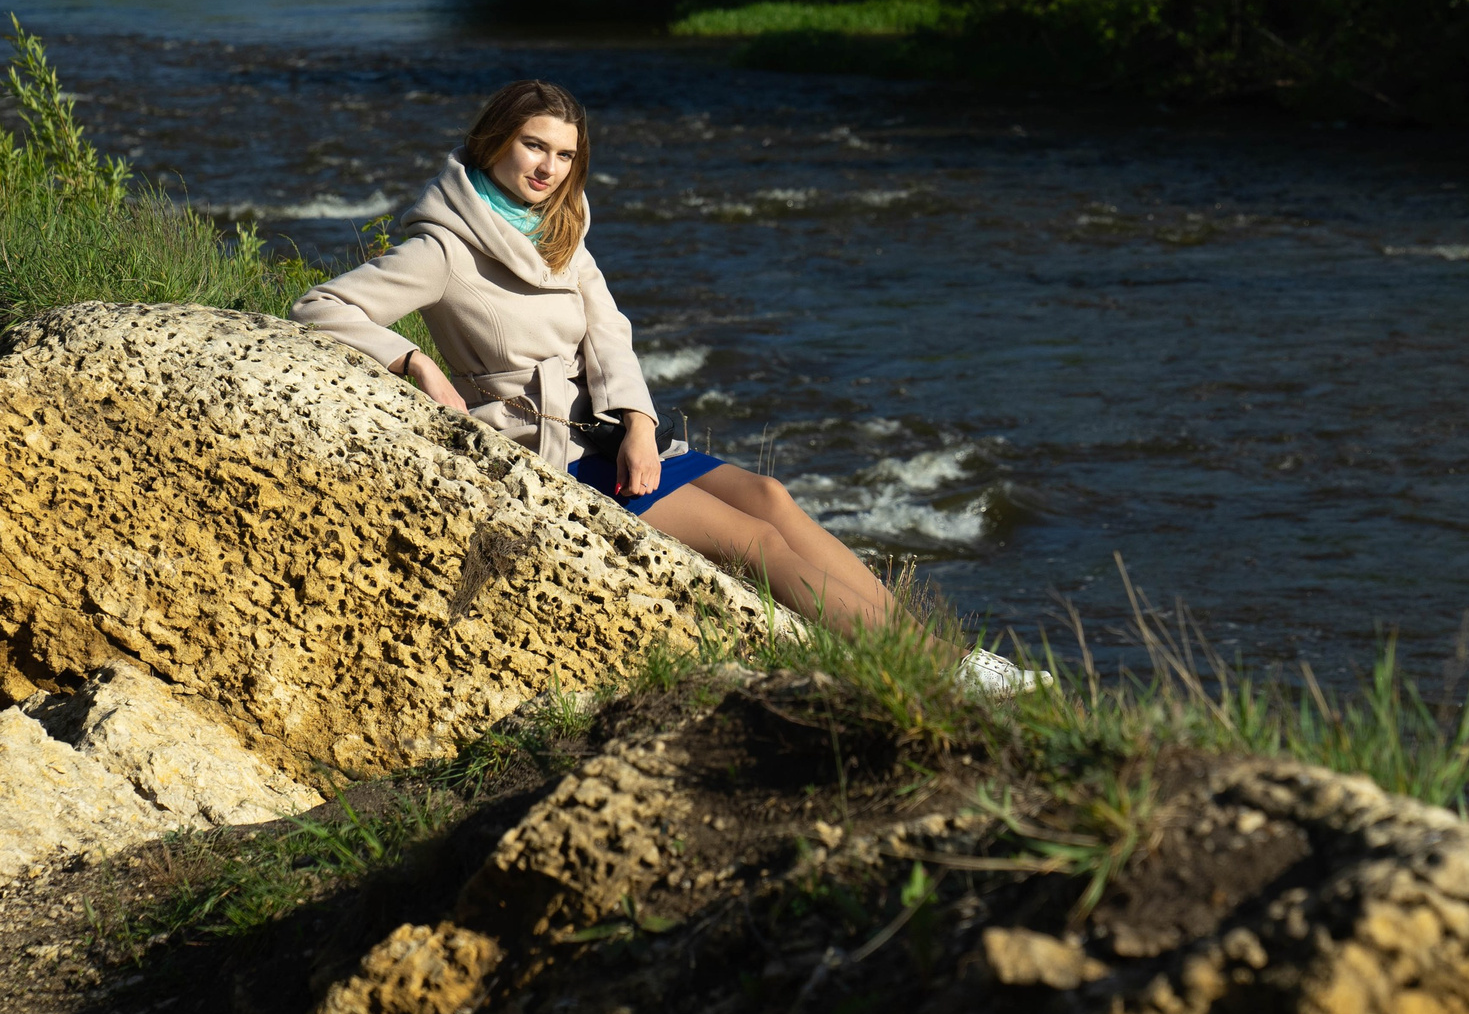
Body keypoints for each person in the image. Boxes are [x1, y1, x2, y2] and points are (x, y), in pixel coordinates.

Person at [291, 79, 1040, 690]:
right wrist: (415, 363)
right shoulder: (443, 247)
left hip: (615, 433)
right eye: (533, 146)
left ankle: (947, 654)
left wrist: (641, 423)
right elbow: (321, 305)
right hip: (547, 450)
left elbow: (608, 328)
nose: (547, 167)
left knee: (772, 498)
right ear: (495, 140)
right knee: (750, 540)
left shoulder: (561, 223)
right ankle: (941, 675)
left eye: (562, 154)